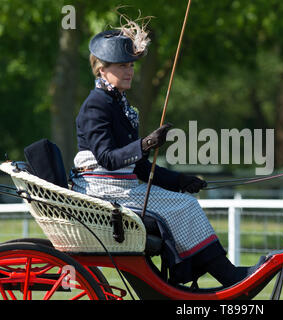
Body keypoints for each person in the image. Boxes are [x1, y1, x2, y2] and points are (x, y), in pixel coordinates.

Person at [70, 18, 257, 287]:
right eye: (122, 66)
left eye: (131, 65)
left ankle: (222, 275)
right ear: (101, 69)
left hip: (123, 184)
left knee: (185, 200)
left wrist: (180, 181)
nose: (130, 71)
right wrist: (145, 144)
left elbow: (140, 168)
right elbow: (108, 159)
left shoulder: (120, 104)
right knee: (185, 206)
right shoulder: (95, 105)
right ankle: (227, 276)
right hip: (104, 189)